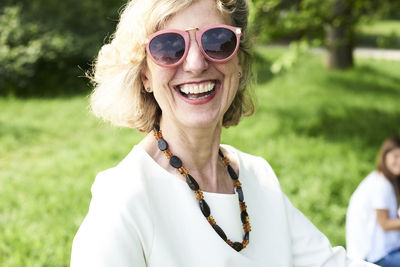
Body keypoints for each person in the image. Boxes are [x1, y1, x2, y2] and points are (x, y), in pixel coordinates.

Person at [70, 0, 376, 266]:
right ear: (145, 74)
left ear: (239, 61)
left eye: (217, 41)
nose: (195, 64)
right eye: (168, 46)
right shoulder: (125, 198)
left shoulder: (257, 176)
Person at [347, 136, 400, 267]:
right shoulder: (380, 184)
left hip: (384, 250)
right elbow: (385, 223)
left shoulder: (387, 181)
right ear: (385, 156)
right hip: (373, 256)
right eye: (396, 156)